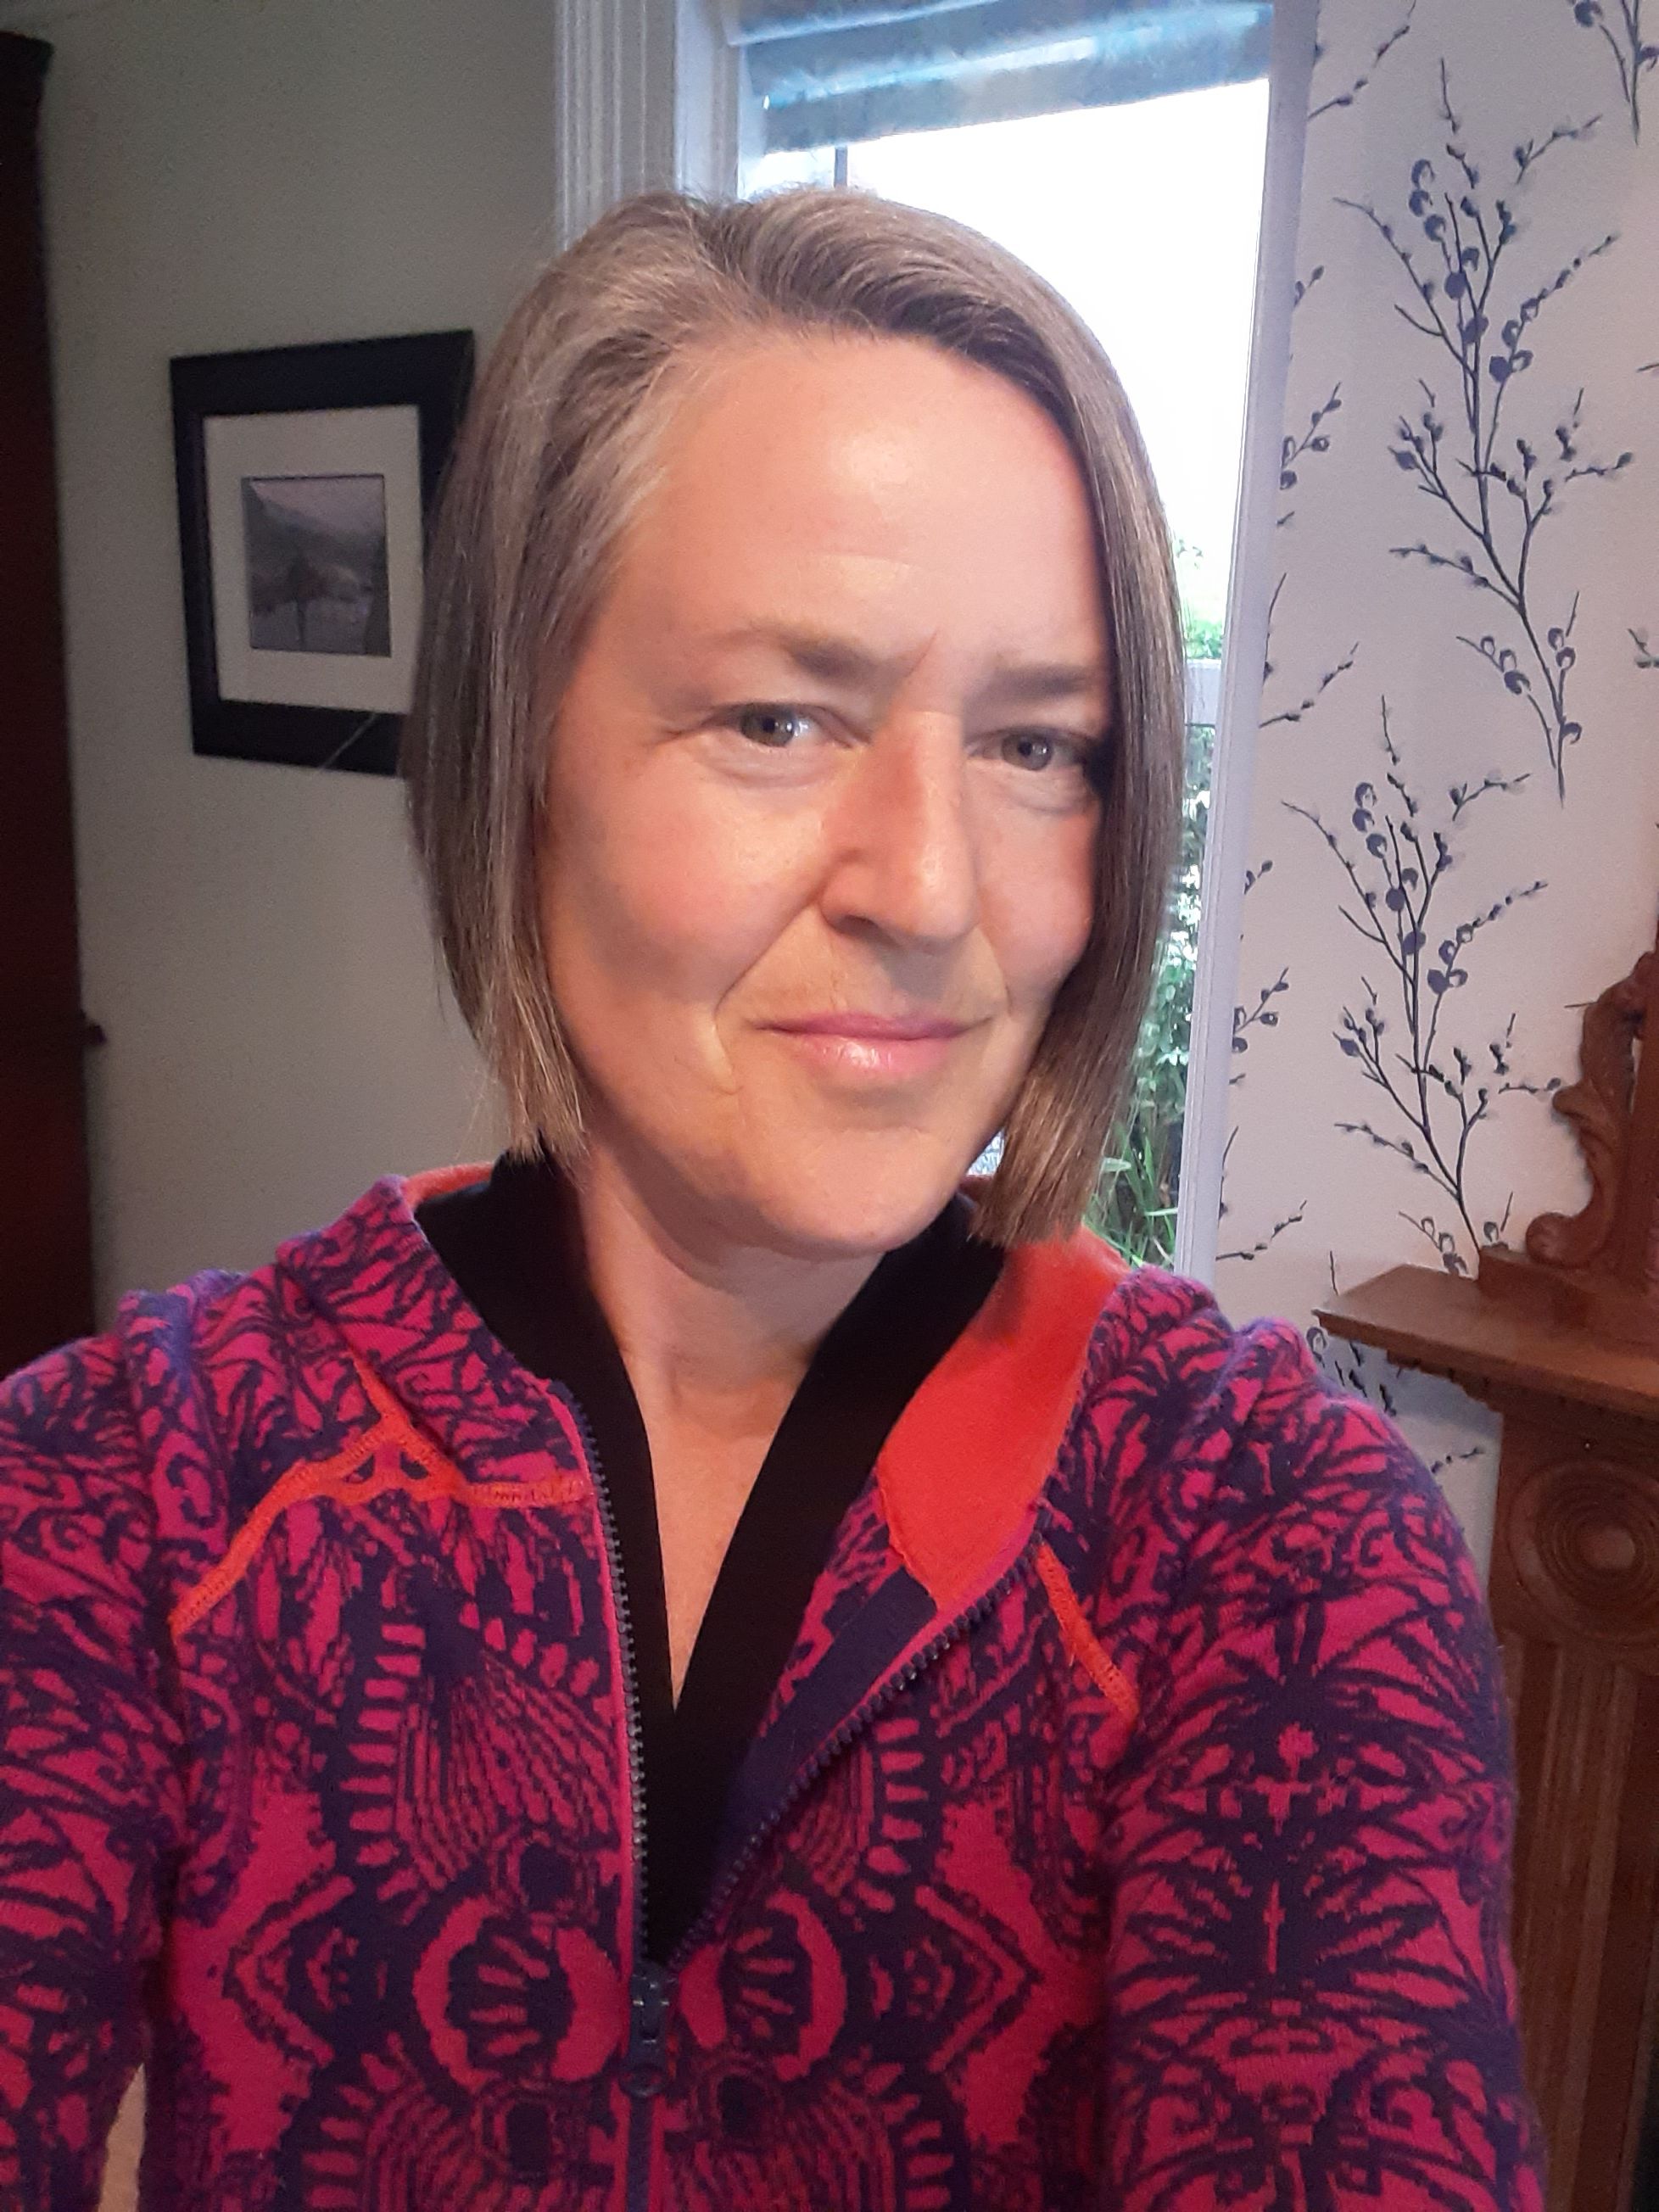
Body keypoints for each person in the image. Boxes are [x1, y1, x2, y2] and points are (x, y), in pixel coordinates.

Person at [0, 189, 1543, 2209]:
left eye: (1039, 744)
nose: (932, 885)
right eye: (779, 718)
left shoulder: (1268, 1538)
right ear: (519, 759)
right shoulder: (132, 1491)